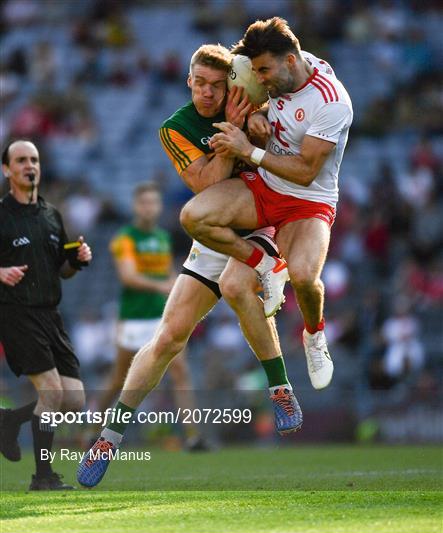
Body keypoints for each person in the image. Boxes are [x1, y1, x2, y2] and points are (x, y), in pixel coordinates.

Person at [77, 44, 302, 488]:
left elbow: (279, 125)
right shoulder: (175, 127)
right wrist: (234, 131)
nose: (206, 93)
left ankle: (280, 388)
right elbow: (205, 186)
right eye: (199, 83)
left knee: (239, 288)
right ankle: (109, 436)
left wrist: (252, 123)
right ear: (188, 81)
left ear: (230, 84)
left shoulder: (252, 99)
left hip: (262, 219)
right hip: (215, 228)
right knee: (167, 338)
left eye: (216, 86)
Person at [180, 18, 353, 391]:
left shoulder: (332, 101)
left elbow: (306, 171)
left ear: (291, 61)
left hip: (308, 202)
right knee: (193, 217)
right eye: (255, 70)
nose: (259, 79)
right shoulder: (282, 67)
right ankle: (266, 265)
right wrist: (257, 115)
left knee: (306, 278)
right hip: (264, 189)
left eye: (264, 71)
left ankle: (314, 335)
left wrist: (250, 151)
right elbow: (263, 99)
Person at [0, 139, 92, 490]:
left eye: (34, 159)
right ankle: (43, 477)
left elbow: (62, 270)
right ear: (7, 169)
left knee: (73, 400)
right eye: (21, 160)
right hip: (16, 313)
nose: (29, 165)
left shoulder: (51, 215)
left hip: (51, 314)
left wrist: (77, 259)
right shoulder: (2, 215)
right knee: (52, 394)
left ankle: (10, 421)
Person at [96, 181, 207, 449]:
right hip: (134, 315)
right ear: (136, 206)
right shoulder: (125, 238)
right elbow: (128, 276)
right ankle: (91, 427)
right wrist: (163, 285)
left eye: (153, 202)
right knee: (119, 378)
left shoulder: (162, 238)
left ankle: (193, 437)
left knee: (181, 371)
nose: (149, 207)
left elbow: (170, 273)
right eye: (144, 202)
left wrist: (177, 287)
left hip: (161, 315)